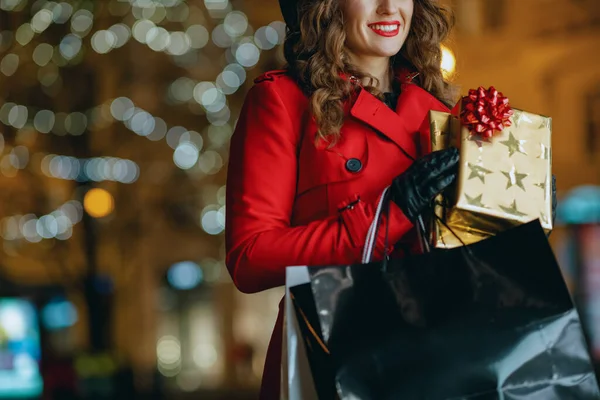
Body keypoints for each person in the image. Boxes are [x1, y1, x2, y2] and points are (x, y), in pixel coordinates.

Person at [225, 0, 554, 398]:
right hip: (336, 352)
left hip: (443, 362)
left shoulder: (443, 116)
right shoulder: (282, 100)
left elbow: (474, 270)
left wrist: (520, 225)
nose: (389, 8)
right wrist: (387, 214)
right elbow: (250, 256)